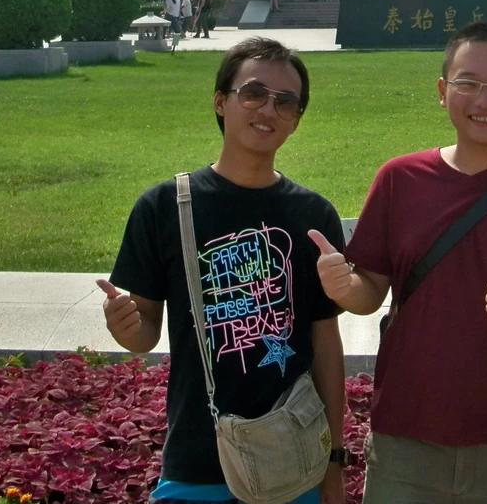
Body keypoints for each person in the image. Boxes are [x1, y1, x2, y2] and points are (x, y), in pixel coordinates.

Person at [312, 21, 487, 503]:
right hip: (406, 443)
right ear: (442, 91)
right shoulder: (400, 179)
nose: (485, 99)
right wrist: (343, 287)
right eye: (468, 83)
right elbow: (370, 291)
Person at [99, 37, 349, 504]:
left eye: (286, 101)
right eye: (253, 94)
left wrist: (333, 461)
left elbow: (325, 345)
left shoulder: (313, 215)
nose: (268, 110)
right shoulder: (165, 207)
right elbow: (144, 333)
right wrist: (125, 326)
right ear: (220, 101)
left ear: (296, 119)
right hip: (197, 457)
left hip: (293, 458)